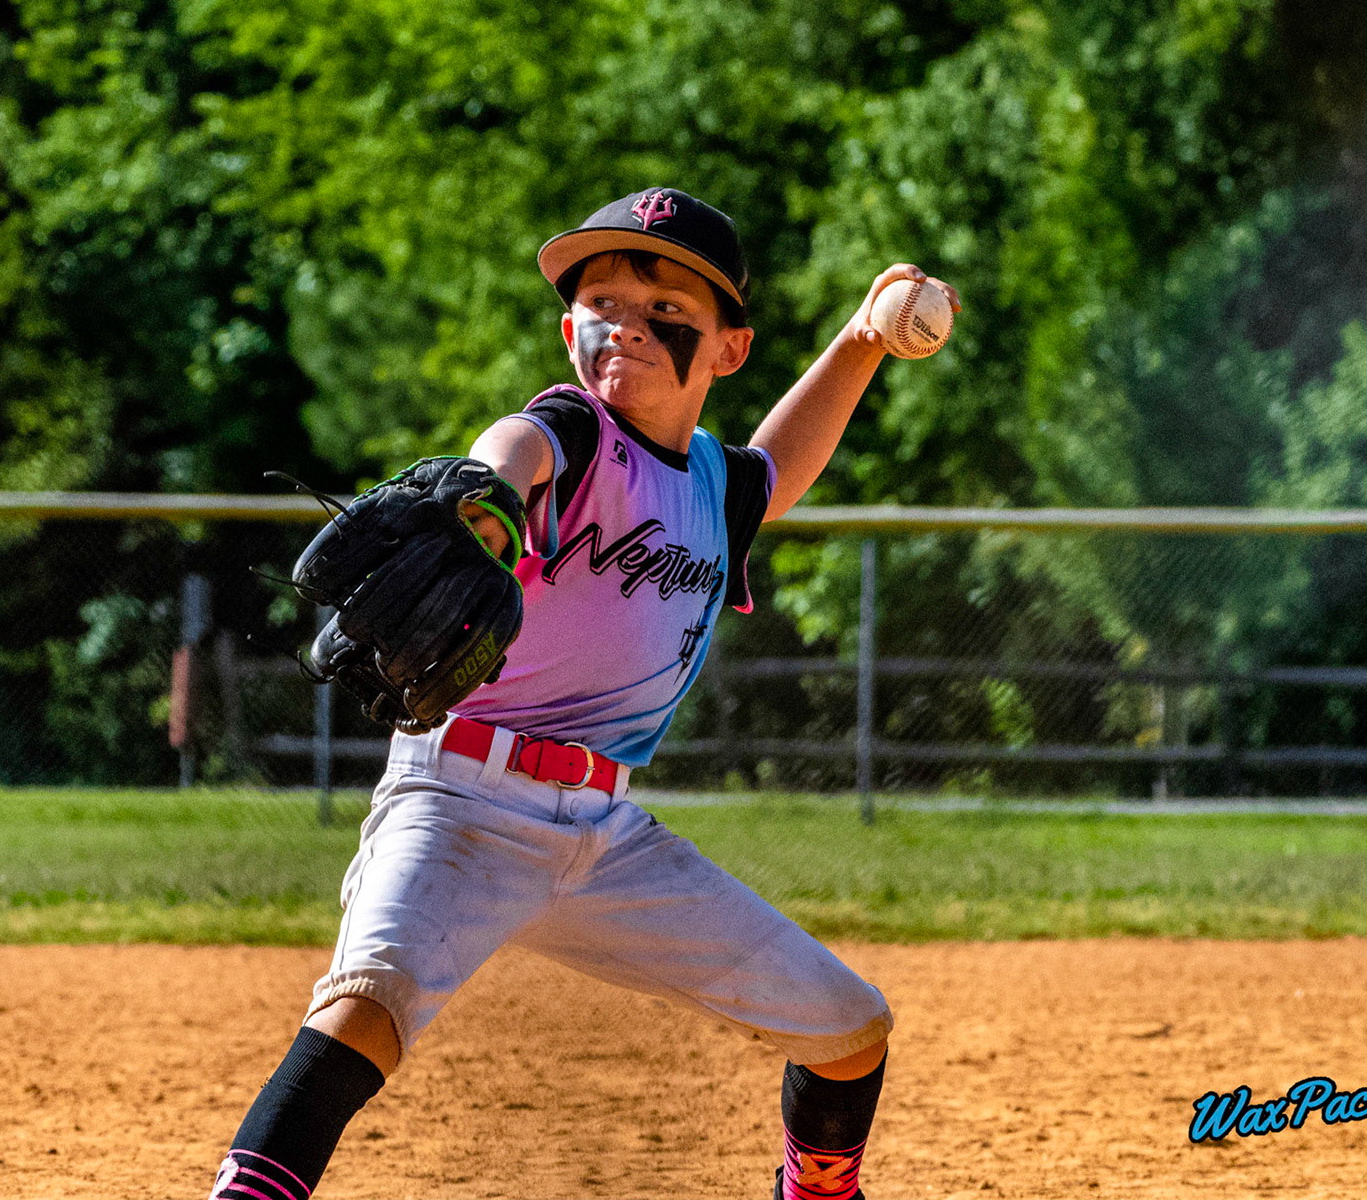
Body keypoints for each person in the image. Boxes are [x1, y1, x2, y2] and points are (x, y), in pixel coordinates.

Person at [210, 188, 960, 1200]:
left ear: (729, 349)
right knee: (363, 1009)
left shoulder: (711, 485)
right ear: (571, 330)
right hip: (461, 802)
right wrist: (483, 498)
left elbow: (782, 462)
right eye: (604, 301)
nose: (629, 325)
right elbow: (515, 444)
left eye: (667, 312)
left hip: (606, 834)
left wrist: (864, 339)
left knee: (848, 1027)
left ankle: (817, 1190)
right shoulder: (574, 432)